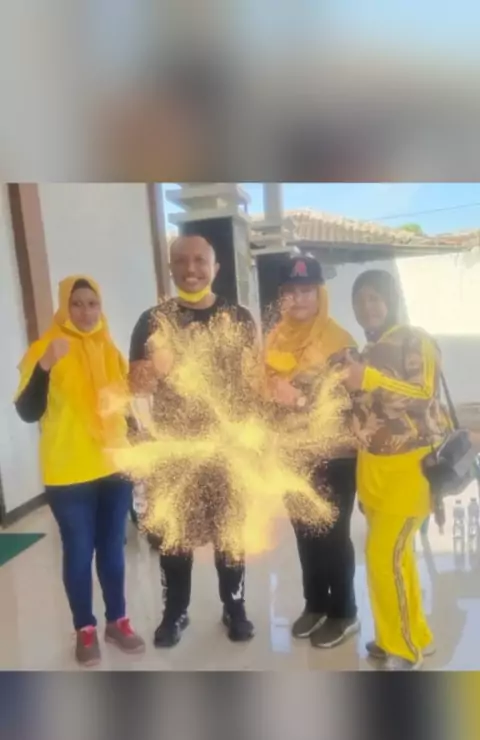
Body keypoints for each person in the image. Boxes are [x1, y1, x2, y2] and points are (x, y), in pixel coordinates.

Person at [129, 234, 257, 648]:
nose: (191, 268)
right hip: (175, 453)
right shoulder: (152, 321)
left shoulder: (239, 318)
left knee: (230, 533)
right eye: (181, 260)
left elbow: (253, 386)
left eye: (200, 260)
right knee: (175, 536)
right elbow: (137, 389)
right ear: (170, 268)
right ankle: (175, 612)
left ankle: (234, 606)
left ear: (215, 267)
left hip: (227, 450)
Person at [15, 276, 145, 667]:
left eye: (92, 304)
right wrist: (45, 365)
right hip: (69, 473)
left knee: (113, 548)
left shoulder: (110, 349)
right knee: (78, 551)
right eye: (77, 304)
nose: (86, 312)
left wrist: (137, 439)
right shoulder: (45, 348)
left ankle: (117, 621)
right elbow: (28, 412)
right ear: (64, 306)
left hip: (114, 466)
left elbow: (123, 406)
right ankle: (85, 628)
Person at [345, 269, 445, 671]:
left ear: (391, 299)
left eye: (374, 297)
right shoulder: (368, 349)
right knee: (397, 559)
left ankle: (403, 650)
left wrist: (367, 377)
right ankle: (411, 634)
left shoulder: (415, 339)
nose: (366, 307)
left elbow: (424, 393)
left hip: (409, 470)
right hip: (374, 470)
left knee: (381, 556)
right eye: (359, 300)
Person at [265, 254, 360, 649]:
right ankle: (316, 603)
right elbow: (263, 389)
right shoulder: (275, 338)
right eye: (291, 291)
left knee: (333, 536)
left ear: (320, 294)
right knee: (304, 533)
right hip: (291, 453)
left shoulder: (340, 341)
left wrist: (300, 398)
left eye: (306, 290)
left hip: (334, 455)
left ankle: (345, 612)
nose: (299, 299)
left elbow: (352, 401)